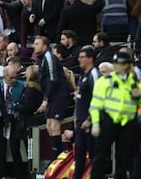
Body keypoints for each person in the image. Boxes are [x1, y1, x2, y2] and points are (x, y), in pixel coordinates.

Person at [89, 52, 141, 178]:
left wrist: (138, 95)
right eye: (116, 63)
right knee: (100, 156)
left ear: (128, 65)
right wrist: (95, 124)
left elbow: (138, 104)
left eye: (121, 64)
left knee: (123, 158)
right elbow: (95, 104)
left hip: (128, 123)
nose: (117, 66)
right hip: (108, 120)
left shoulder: (134, 82)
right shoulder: (105, 81)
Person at [34, 35, 71, 160]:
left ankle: (58, 157)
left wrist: (45, 99)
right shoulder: (42, 59)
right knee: (49, 124)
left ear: (44, 46)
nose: (34, 46)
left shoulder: (49, 57)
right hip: (52, 95)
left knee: (54, 125)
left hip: (58, 95)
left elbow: (52, 79)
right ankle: (56, 155)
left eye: (37, 44)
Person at [73, 45, 99, 178]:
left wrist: (90, 119)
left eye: (82, 57)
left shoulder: (94, 73)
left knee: (94, 156)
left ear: (90, 59)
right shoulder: (83, 74)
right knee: (79, 156)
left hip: (90, 123)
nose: (79, 60)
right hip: (80, 121)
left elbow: (98, 97)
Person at [14, 65, 43, 178]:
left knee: (30, 152)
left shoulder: (31, 90)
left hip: (27, 124)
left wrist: (16, 105)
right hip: (28, 123)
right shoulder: (37, 88)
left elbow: (28, 108)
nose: (24, 73)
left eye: (27, 72)